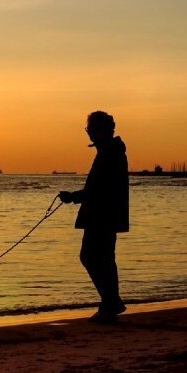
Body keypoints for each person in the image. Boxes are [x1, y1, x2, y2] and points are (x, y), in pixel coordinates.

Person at [59, 111, 129, 323]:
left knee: (93, 257)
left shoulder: (110, 152)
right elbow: (99, 187)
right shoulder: (109, 150)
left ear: (103, 129)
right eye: (88, 129)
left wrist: (74, 197)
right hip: (104, 213)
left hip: (102, 214)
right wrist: (76, 197)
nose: (89, 132)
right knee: (102, 258)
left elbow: (101, 188)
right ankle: (110, 302)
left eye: (91, 128)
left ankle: (111, 302)